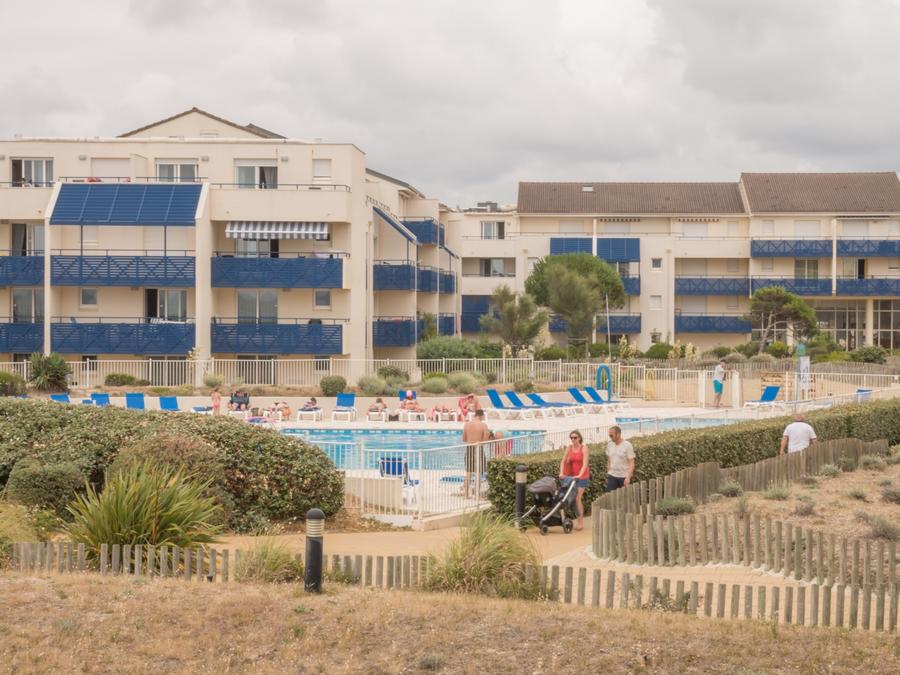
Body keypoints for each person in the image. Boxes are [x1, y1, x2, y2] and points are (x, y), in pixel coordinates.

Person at [559, 430, 590, 531]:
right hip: (571, 477)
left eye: (575, 437)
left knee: (577, 498)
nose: (573, 439)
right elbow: (563, 461)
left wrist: (579, 475)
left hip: (582, 477)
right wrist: (561, 473)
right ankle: (576, 518)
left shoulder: (584, 448)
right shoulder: (569, 448)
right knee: (570, 499)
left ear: (579, 438)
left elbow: (585, 464)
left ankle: (580, 522)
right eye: (571, 437)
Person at [461, 409, 491, 498]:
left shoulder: (466, 424)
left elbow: (464, 439)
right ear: (481, 416)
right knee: (478, 472)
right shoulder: (483, 425)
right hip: (478, 448)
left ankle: (466, 494)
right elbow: (485, 440)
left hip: (469, 447)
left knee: (468, 472)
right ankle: (477, 496)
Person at [605, 425, 635, 492]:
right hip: (612, 476)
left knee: (625, 497)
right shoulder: (609, 445)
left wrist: (628, 477)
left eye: (611, 435)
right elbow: (609, 460)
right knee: (611, 496)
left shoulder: (627, 445)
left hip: (624, 476)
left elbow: (631, 462)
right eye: (609, 435)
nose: (610, 437)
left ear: (618, 434)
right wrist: (608, 474)